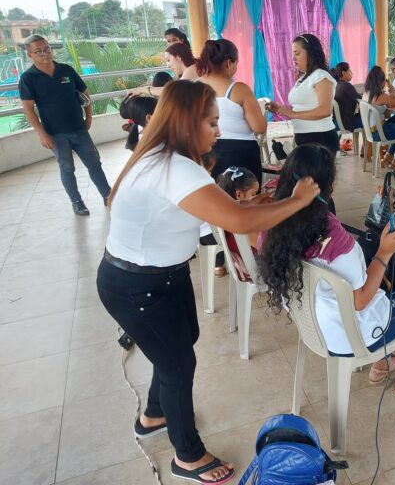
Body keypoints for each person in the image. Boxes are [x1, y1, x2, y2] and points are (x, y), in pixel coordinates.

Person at [98, 80, 320, 485]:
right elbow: (237, 222)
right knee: (178, 365)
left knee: (180, 345)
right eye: (212, 122)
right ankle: (187, 456)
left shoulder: (162, 155)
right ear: (187, 122)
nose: (219, 131)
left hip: (159, 275)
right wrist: (298, 201)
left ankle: (154, 414)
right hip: (137, 284)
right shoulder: (175, 167)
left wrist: (251, 204)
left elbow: (216, 211)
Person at [259, 144, 395, 394]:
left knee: (381, 281)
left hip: (313, 327)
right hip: (352, 335)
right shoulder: (334, 238)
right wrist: (385, 251)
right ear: (330, 188)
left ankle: (382, 362)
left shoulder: (268, 224)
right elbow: (360, 301)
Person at [19, 34, 111, 216]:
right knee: (67, 167)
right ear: (30, 55)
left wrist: (89, 117)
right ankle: (77, 202)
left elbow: (84, 94)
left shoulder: (66, 70)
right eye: (38, 51)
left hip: (79, 128)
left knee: (94, 162)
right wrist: (41, 134)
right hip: (55, 134)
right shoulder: (28, 78)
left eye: (46, 48)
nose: (44, 53)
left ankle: (108, 195)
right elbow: (28, 109)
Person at [195, 39, 266, 181]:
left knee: (215, 198)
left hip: (203, 151)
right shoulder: (239, 89)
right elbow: (259, 127)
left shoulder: (193, 87)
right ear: (228, 62)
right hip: (240, 153)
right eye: (236, 64)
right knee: (246, 199)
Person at [268, 33, 338, 157]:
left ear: (310, 53)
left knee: (316, 176)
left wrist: (292, 114)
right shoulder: (305, 77)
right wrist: (281, 110)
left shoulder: (321, 76)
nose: (293, 58)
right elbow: (302, 107)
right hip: (304, 136)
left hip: (319, 137)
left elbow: (325, 110)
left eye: (297, 53)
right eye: (293, 54)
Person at [126, 43, 198, 98]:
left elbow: (172, 91)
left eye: (168, 60)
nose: (168, 65)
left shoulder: (191, 70)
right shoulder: (193, 68)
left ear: (179, 56)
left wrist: (142, 90)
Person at [330, 61, 362, 132]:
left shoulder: (336, 85)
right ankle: (370, 142)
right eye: (350, 71)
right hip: (346, 124)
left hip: (336, 121)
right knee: (368, 120)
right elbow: (362, 100)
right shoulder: (346, 85)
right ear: (343, 73)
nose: (352, 73)